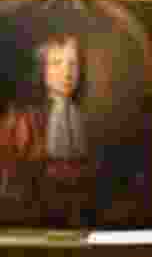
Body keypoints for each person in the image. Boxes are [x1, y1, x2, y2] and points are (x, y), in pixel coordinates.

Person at [0, 33, 96, 226]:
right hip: (33, 213)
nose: (67, 73)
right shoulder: (23, 118)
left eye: (73, 64)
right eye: (56, 63)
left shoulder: (82, 117)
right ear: (42, 70)